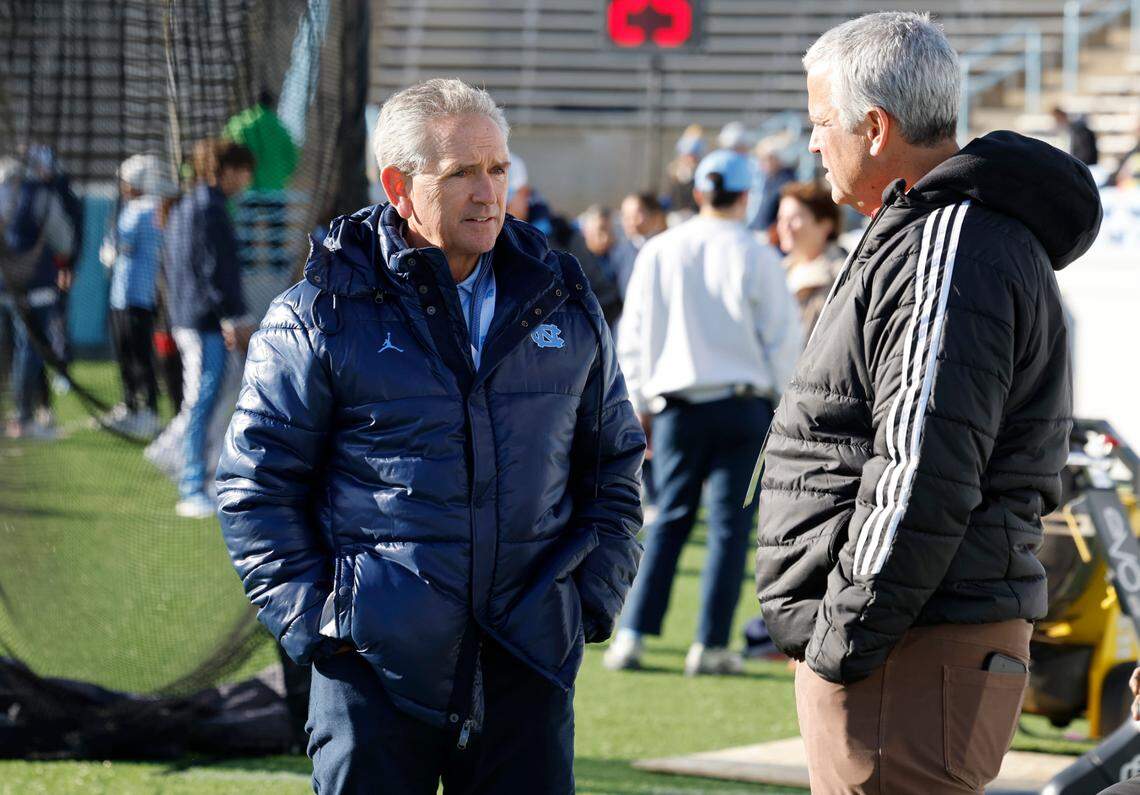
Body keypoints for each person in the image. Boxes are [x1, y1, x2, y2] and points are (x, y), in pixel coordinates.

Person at [216, 78, 644, 793]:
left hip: (525, 663)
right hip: (370, 673)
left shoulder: (565, 300)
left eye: (499, 168)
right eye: (462, 173)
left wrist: (586, 599)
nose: (488, 193)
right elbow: (256, 486)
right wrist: (323, 626)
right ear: (398, 186)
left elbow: (614, 466)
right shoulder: (318, 312)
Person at [754, 12, 1102, 794]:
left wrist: (840, 636)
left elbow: (921, 466)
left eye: (820, 124)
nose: (813, 145)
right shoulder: (932, 232)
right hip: (909, 641)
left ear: (874, 127)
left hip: (909, 649)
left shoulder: (952, 242)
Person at [607, 148, 801, 676]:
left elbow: (636, 333)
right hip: (742, 406)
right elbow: (782, 340)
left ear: (698, 192)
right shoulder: (756, 253)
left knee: (668, 519)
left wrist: (639, 402)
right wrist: (786, 405)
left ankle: (632, 635)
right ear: (745, 195)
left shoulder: (662, 250)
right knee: (728, 528)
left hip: (674, 407)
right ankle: (709, 644)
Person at [158, 139, 254, 518]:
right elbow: (215, 272)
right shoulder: (208, 208)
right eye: (244, 171)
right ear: (227, 170)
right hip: (204, 322)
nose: (246, 180)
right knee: (202, 400)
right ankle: (191, 482)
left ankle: (199, 468)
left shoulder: (191, 205)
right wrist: (234, 318)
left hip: (193, 318)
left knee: (210, 398)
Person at [100, 154, 177, 438]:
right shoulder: (135, 208)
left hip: (139, 294)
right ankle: (131, 404)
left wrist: (112, 248)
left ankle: (149, 411)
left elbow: (120, 243)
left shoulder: (144, 210)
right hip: (123, 293)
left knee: (140, 354)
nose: (124, 186)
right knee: (125, 351)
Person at [0, 146, 75, 439]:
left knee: (9, 351)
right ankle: (23, 417)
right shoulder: (41, 195)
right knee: (28, 351)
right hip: (35, 288)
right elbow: (64, 241)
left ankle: (18, 415)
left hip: (5, 287)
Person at [506, 154, 623, 325]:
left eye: (507, 196)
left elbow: (605, 298)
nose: (498, 205)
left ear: (524, 193)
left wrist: (567, 335)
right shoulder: (481, 239)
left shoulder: (563, 236)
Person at [773, 180, 844, 340]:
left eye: (794, 218)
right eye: (781, 218)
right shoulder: (778, 269)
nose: (784, 226)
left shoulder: (841, 275)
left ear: (825, 224)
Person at [580, 204, 636, 308]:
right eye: (601, 230)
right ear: (585, 231)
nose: (607, 237)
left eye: (611, 231)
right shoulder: (575, 262)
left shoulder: (621, 254)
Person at [665, 125, 705, 223]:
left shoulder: (700, 173)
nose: (690, 158)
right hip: (676, 216)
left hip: (695, 216)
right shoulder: (675, 172)